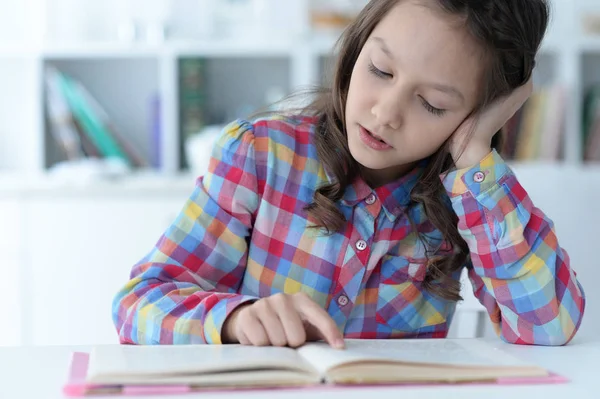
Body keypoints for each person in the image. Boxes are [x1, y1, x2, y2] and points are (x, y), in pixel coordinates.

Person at [112, 0, 585, 348]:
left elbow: (549, 327)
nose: (386, 113)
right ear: (358, 47)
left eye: (432, 104)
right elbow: (139, 304)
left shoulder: (466, 202)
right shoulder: (260, 156)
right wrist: (235, 319)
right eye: (380, 70)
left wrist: (475, 161)